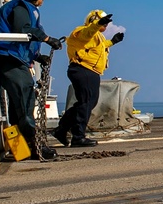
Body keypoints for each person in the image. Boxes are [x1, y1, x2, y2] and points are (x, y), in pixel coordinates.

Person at [0, 0, 63, 160]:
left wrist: (39, 57)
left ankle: (21, 149)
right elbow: (23, 30)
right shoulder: (22, 7)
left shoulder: (25, 9)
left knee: (19, 108)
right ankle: (35, 147)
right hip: (11, 61)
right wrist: (48, 39)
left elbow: (24, 42)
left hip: (16, 59)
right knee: (26, 102)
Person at [53, 9, 125, 148]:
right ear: (94, 20)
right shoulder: (82, 31)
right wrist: (97, 24)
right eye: (103, 22)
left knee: (86, 103)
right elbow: (87, 34)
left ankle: (62, 130)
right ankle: (78, 137)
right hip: (83, 69)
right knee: (86, 103)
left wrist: (113, 42)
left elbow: (98, 47)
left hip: (89, 71)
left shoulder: (96, 36)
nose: (105, 26)